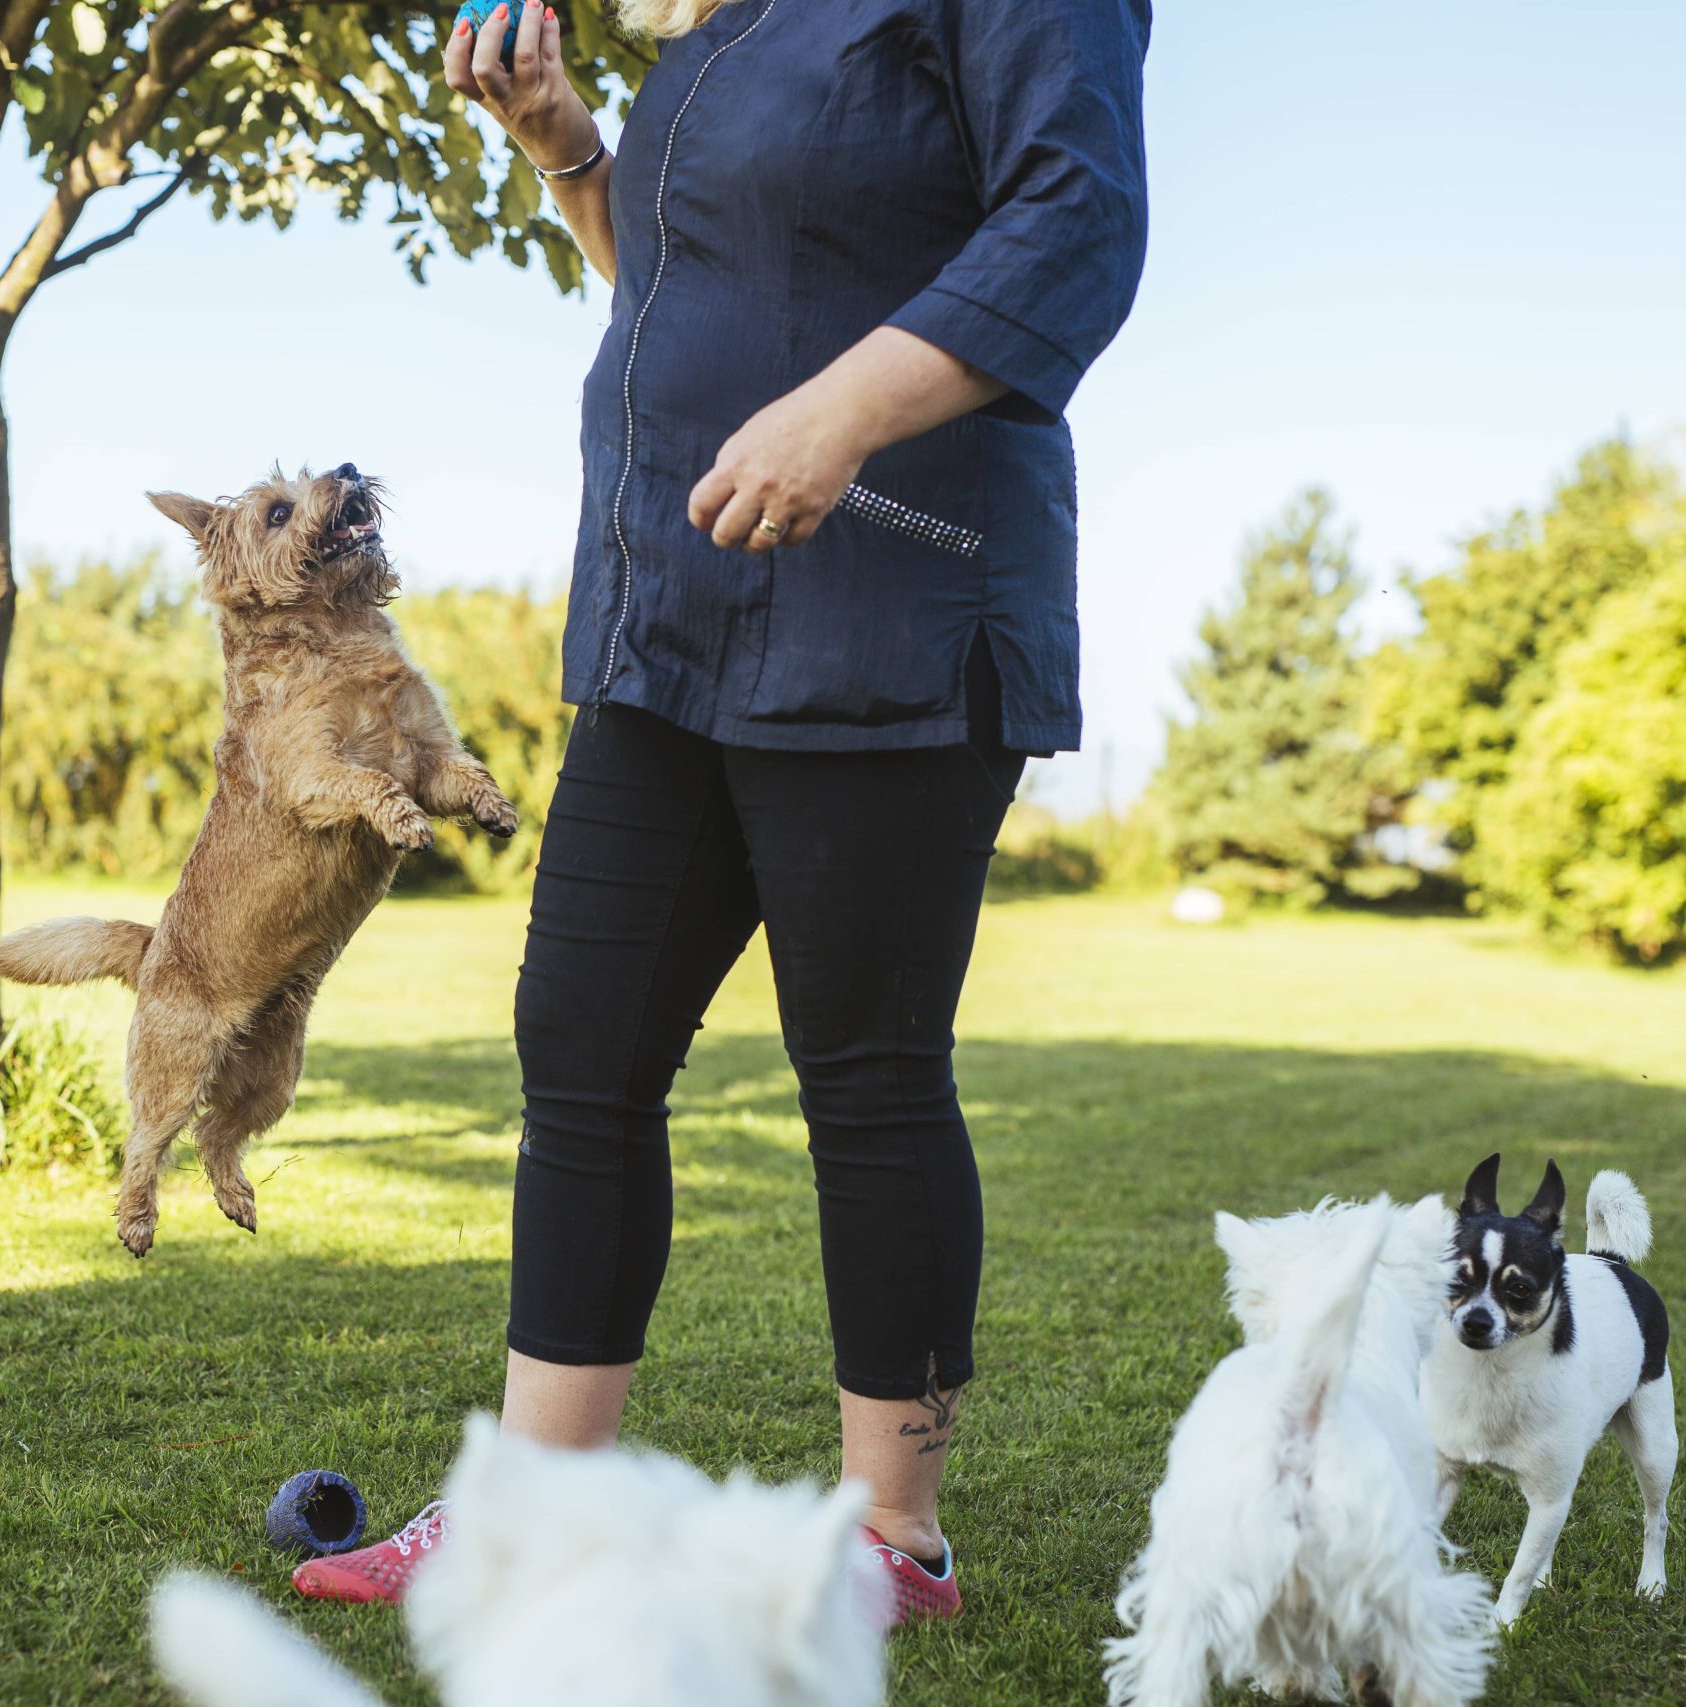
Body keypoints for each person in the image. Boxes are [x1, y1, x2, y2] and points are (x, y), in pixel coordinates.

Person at [296, 0, 1149, 1623]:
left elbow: (1080, 218)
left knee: (870, 1075)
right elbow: (712, 283)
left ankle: (895, 1537)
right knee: (583, 1042)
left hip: (896, 595)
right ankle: (531, 1514)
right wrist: (565, 143)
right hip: (666, 619)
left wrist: (844, 412)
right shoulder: (726, 25)